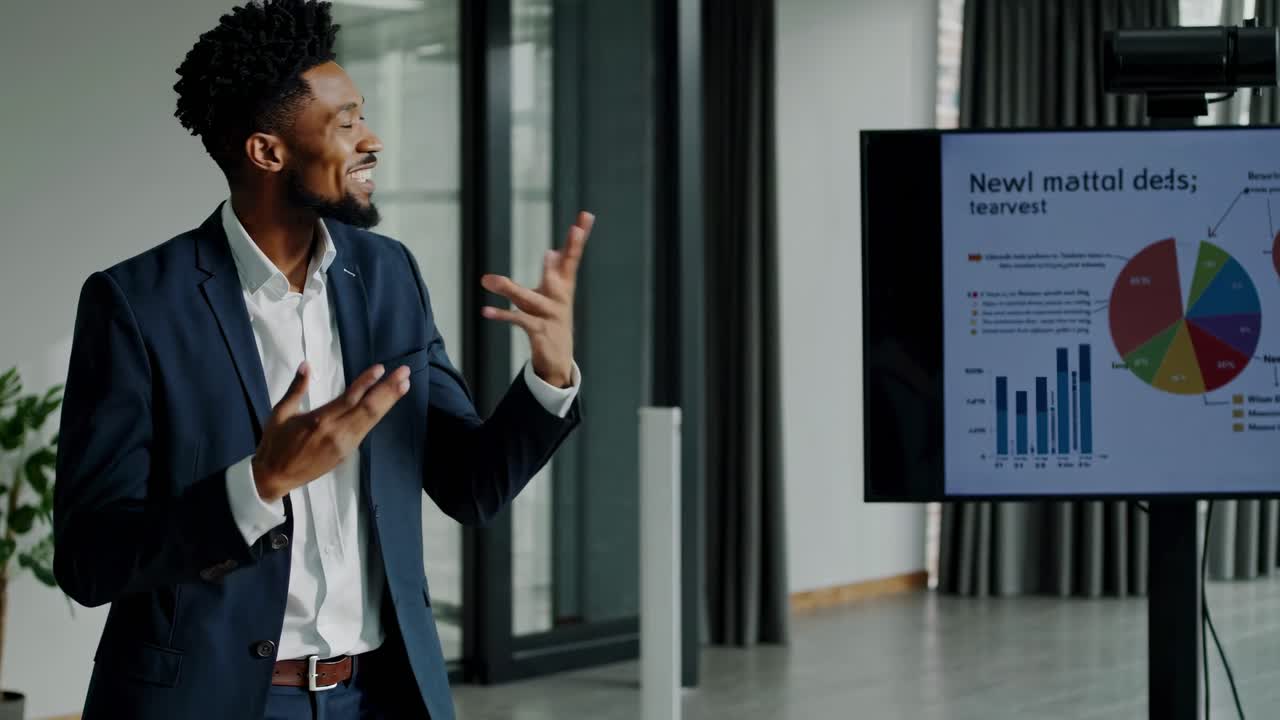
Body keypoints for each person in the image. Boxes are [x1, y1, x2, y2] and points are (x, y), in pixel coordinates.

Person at [51, 1, 590, 717]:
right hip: (210, 701)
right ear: (267, 152)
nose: (373, 139)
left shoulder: (388, 275)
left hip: (376, 697)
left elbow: (470, 485)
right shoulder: (137, 303)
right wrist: (258, 483)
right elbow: (89, 558)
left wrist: (550, 375)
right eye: (345, 123)